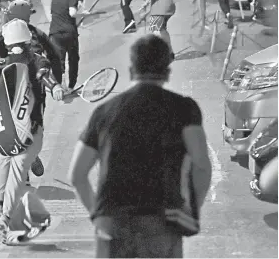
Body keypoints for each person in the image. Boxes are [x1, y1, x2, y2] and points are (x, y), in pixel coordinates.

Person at [68, 34, 212, 258]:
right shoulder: (184, 109)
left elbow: (77, 175)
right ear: (167, 70)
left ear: (131, 69)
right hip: (162, 221)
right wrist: (190, 208)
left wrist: (98, 217)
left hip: (112, 223)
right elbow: (201, 165)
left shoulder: (105, 112)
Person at [0, 19, 65, 237]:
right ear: (28, 40)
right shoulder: (38, 60)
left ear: (7, 43)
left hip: (7, 131)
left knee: (5, 160)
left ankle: (0, 207)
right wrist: (54, 86)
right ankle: (6, 217)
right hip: (32, 130)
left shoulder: (0, 64)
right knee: (18, 166)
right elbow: (43, 74)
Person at [0, 0, 62, 84]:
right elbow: (54, 56)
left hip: (29, 79)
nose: (29, 18)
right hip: (14, 81)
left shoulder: (3, 35)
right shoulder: (36, 33)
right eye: (28, 15)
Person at [49, 0, 81, 93]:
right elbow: (72, 13)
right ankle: (71, 86)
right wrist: (83, 14)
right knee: (73, 59)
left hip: (55, 33)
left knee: (59, 61)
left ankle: (61, 86)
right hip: (69, 32)